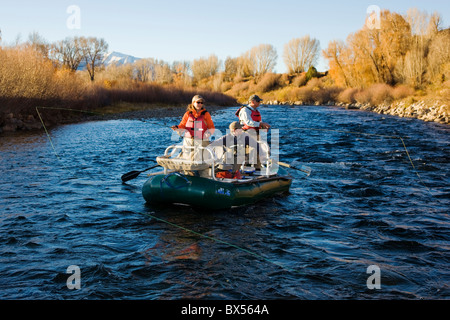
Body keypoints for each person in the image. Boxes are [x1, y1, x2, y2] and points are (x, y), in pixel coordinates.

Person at [171, 95, 215, 161]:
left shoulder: (206, 114)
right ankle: (187, 171)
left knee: (201, 160)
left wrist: (208, 133)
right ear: (193, 103)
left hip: (201, 141)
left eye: (201, 103)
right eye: (198, 102)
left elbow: (212, 127)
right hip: (188, 141)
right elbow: (182, 125)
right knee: (187, 159)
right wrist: (177, 127)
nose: (200, 104)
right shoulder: (187, 114)